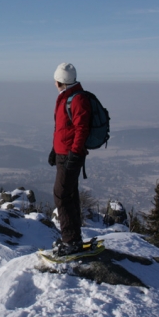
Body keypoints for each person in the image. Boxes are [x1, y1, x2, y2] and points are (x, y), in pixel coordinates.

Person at [48, 62, 91, 256]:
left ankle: (70, 241)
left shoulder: (76, 99)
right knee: (69, 194)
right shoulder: (65, 98)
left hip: (70, 157)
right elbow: (63, 129)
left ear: (59, 81)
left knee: (62, 195)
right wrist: (54, 150)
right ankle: (74, 237)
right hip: (63, 155)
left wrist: (74, 154)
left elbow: (82, 129)